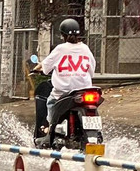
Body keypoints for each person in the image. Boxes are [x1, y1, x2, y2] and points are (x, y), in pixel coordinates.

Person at [35, 18, 96, 146]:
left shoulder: (60, 49)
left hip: (64, 93)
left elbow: (46, 67)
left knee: (50, 102)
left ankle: (49, 131)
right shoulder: (85, 49)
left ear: (62, 35)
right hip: (85, 90)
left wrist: (37, 68)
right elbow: (91, 69)